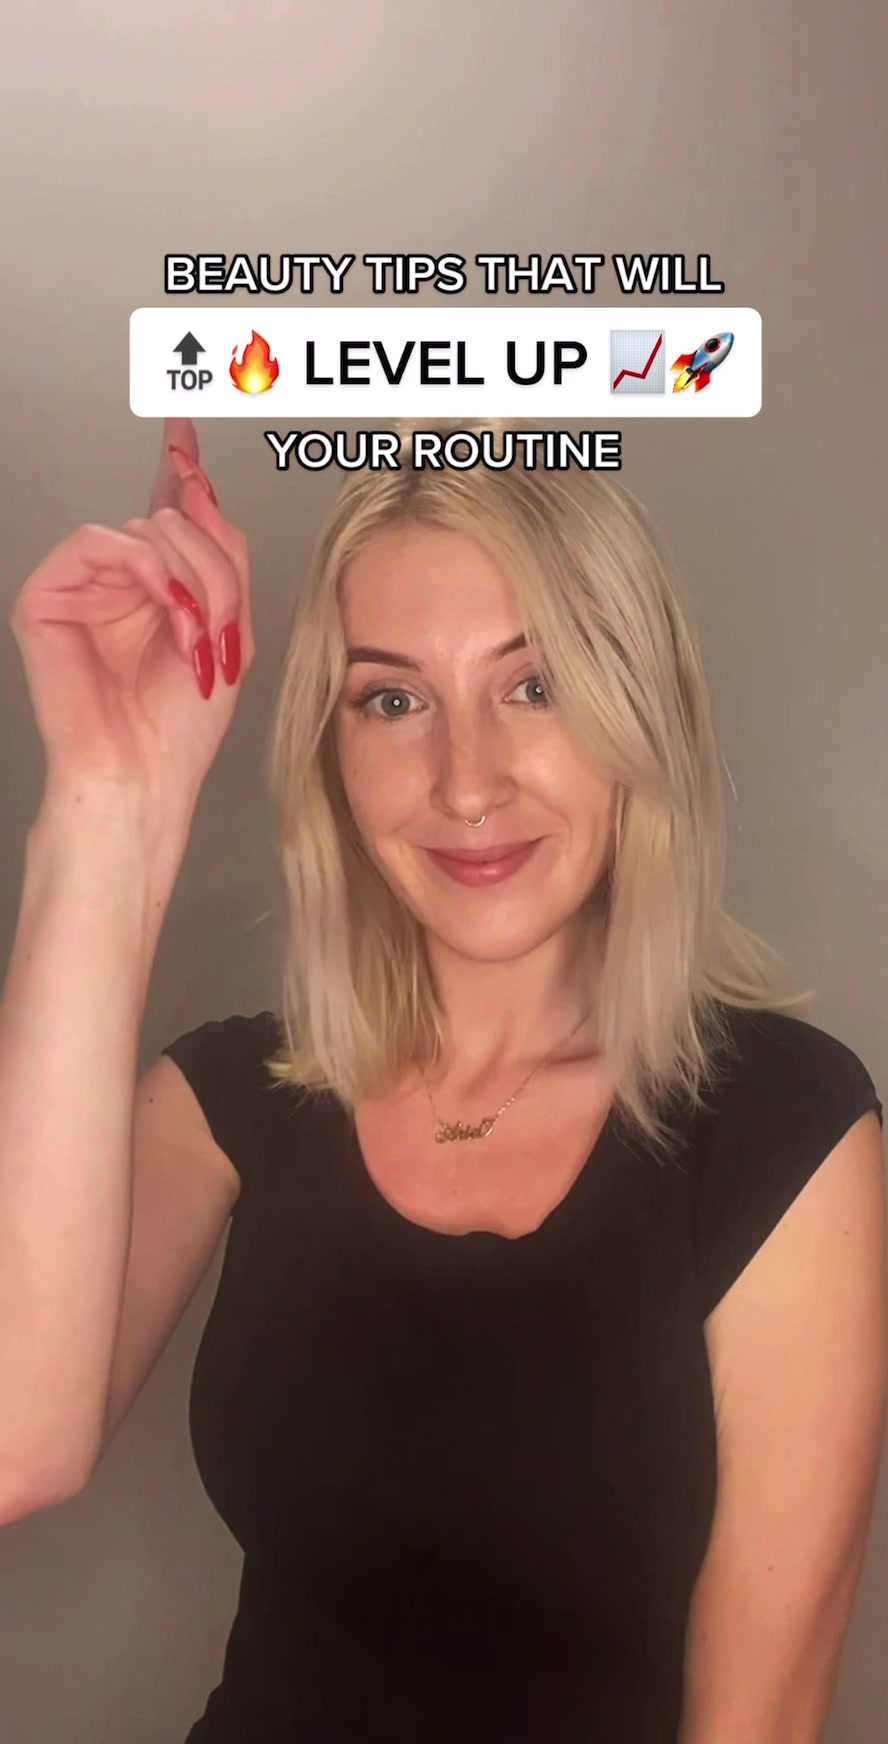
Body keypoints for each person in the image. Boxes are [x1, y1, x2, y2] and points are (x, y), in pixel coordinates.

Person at [0, 415, 884, 1744]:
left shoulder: (783, 1129)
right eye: (393, 700)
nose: (467, 783)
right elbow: (13, 1440)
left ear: (638, 707)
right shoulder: (239, 1097)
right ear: (334, 746)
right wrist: (110, 797)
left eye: (535, 686)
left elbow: (755, 1725)